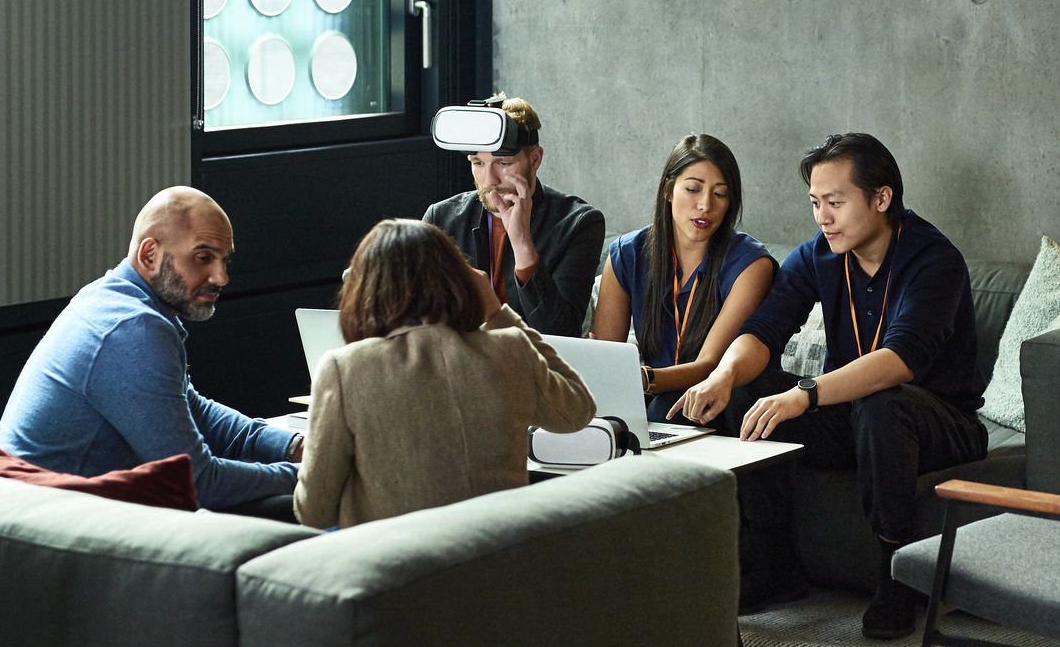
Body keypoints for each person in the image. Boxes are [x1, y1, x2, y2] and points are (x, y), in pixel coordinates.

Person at [676, 133, 988, 639]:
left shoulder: (934, 260)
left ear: (881, 198)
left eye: (835, 202)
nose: (822, 216)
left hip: (940, 423)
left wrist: (806, 392)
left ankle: (896, 575)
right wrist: (724, 374)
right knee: (745, 391)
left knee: (881, 402)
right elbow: (764, 329)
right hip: (855, 417)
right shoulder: (818, 257)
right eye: (816, 203)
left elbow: (901, 360)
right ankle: (775, 563)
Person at [0, 187, 301, 511]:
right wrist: (306, 475)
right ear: (149, 255)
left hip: (37, 513)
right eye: (203, 257)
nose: (221, 276)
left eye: (224, 259)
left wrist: (294, 447)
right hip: (44, 532)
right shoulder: (133, 328)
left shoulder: (108, 296)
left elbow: (192, 409)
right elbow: (196, 483)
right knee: (304, 505)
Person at [291, 219, 597, 528]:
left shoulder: (344, 368)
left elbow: (314, 513)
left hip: (400, 567)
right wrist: (497, 311)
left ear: (364, 290)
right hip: (501, 559)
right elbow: (577, 411)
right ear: (460, 278)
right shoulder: (511, 350)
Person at [590, 134, 777, 430]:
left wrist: (645, 379)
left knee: (665, 409)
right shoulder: (627, 254)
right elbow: (605, 358)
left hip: (724, 400)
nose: (705, 205)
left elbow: (711, 365)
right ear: (668, 190)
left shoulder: (751, 264)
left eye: (720, 194)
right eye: (693, 189)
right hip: (654, 397)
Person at [423, 96, 605, 338]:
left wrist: (522, 245)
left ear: (535, 159)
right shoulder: (442, 218)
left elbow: (561, 335)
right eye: (478, 162)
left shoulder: (578, 224)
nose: (490, 180)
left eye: (503, 162)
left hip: (534, 366)